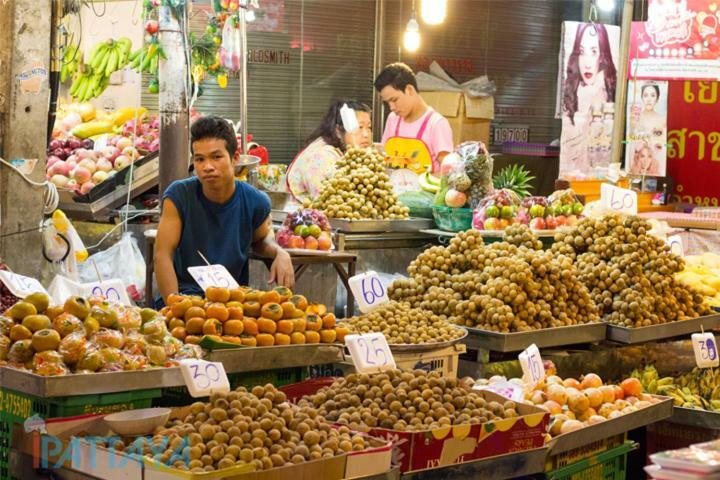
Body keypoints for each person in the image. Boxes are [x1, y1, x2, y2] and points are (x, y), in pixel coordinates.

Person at [154, 116, 294, 306]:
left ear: (235, 158)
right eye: (200, 159)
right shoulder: (179, 195)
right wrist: (175, 308)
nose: (207, 167)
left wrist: (280, 253)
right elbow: (162, 255)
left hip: (231, 305)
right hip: (185, 299)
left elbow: (261, 240)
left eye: (216, 157)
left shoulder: (256, 201)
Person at [286, 100, 372, 203]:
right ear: (338, 131)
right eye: (359, 127)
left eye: (369, 127)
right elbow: (332, 203)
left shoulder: (345, 153)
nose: (366, 134)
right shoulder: (322, 157)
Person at [375, 62, 453, 174]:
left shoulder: (437, 124)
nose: (391, 107)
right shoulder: (392, 119)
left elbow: (447, 173)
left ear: (410, 90)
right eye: (388, 102)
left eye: (394, 100)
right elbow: (384, 156)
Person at [560, 23, 617, 173]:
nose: (587, 62)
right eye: (582, 52)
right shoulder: (573, 94)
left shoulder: (609, 93)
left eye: (594, 51)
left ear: (602, 56)